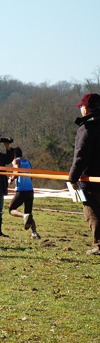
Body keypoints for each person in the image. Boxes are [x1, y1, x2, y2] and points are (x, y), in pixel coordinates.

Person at [68, 93, 100, 255]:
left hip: (91, 180)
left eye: (81, 107)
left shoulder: (87, 129)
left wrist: (72, 178)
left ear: (85, 109)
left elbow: (80, 156)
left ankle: (99, 245)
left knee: (92, 211)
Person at [8, 147, 40, 239]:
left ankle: (23, 216)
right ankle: (34, 233)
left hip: (21, 190)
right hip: (30, 190)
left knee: (11, 209)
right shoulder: (27, 162)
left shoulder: (15, 161)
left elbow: (17, 171)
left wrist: (11, 179)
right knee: (29, 213)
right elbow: (31, 176)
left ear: (14, 155)